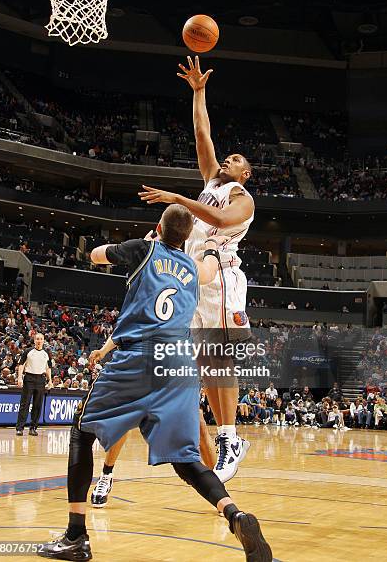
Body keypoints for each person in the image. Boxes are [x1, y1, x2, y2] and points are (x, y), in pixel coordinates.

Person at [37, 205, 272, 562]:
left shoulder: (143, 249)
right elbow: (210, 267)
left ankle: (75, 536)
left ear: (158, 227)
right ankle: (234, 514)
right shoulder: (194, 268)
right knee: (185, 457)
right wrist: (211, 245)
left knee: (81, 431)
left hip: (139, 358)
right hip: (180, 365)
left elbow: (96, 255)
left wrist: (138, 245)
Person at [138, 55, 255, 483]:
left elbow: (223, 222)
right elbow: (201, 131)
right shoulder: (211, 182)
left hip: (222, 275)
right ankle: (226, 438)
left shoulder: (242, 197)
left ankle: (229, 437)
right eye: (227, 158)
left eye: (236, 159)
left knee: (220, 360)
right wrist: (198, 91)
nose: (227, 160)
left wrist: (176, 198)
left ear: (246, 173)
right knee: (207, 363)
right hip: (195, 277)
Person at [16, 332, 53, 436]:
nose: (39, 341)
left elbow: (48, 368)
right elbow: (21, 365)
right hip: (29, 378)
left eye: (41, 339)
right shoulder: (28, 351)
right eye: (37, 339)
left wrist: (49, 380)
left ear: (43, 340)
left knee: (37, 405)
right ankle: (20, 428)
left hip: (41, 380)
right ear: (34, 340)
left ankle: (33, 428)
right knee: (25, 404)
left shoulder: (46, 353)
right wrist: (19, 378)